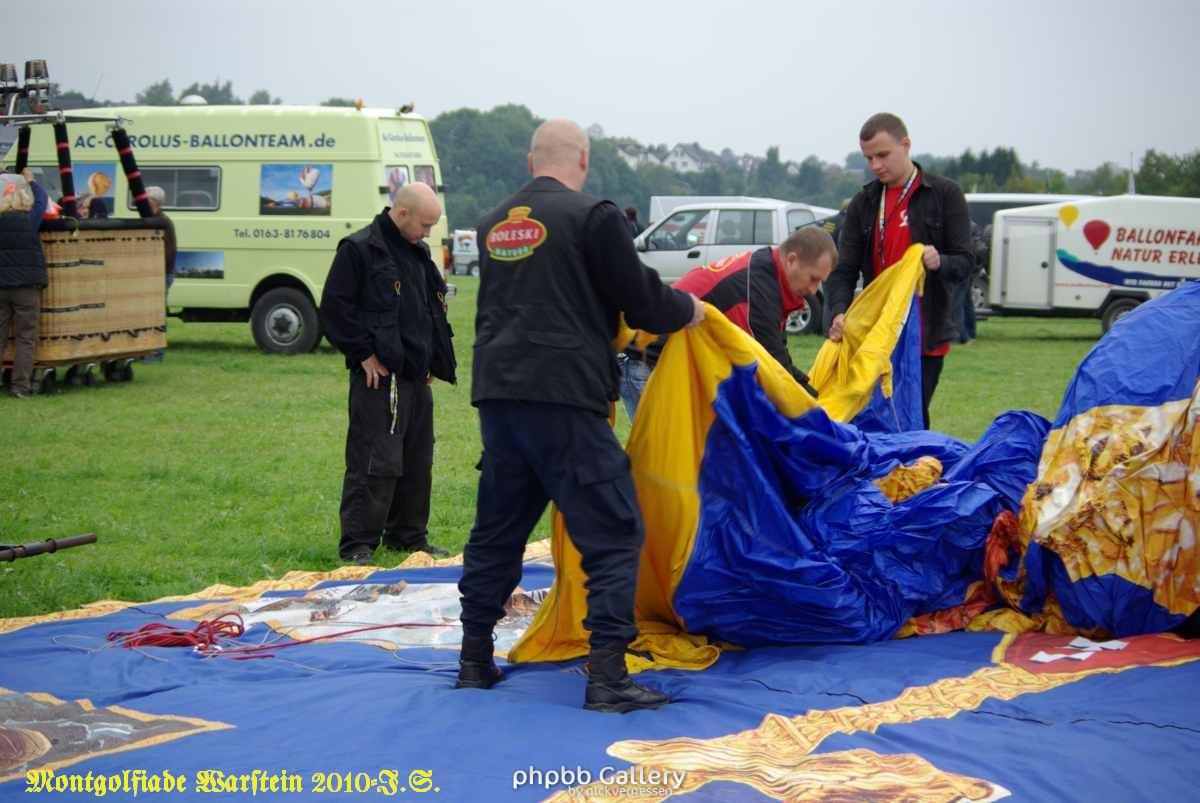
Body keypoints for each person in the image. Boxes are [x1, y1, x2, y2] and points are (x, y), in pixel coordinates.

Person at [456, 119, 705, 713]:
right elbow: (642, 301)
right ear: (584, 161)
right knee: (615, 532)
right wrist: (690, 310)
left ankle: (473, 660)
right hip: (565, 400)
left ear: (530, 161)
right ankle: (608, 677)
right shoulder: (595, 217)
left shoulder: (492, 223)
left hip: (499, 398)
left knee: (498, 531)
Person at [319, 182, 456, 565]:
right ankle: (358, 543)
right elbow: (334, 308)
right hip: (379, 377)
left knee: (417, 459)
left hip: (415, 375)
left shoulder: (418, 252)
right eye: (425, 224)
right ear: (402, 213)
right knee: (375, 459)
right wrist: (362, 353)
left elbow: (428, 308)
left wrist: (432, 358)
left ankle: (408, 536)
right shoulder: (360, 249)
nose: (428, 233)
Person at [824, 113, 972, 429]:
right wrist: (836, 312)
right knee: (868, 417)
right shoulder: (863, 202)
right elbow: (844, 268)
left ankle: (917, 460)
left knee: (911, 417)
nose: (875, 165)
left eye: (882, 155)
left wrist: (940, 262)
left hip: (924, 332)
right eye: (868, 158)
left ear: (905, 145)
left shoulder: (944, 194)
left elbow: (966, 261)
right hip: (876, 331)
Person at [618, 226, 836, 419]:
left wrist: (811, 394)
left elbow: (777, 354)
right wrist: (814, 409)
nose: (813, 290)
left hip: (673, 363)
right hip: (647, 361)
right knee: (668, 450)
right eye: (813, 279)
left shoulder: (769, 272)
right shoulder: (758, 289)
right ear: (791, 260)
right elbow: (770, 366)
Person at [0, 169, 48, 399]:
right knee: (25, 338)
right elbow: (42, 200)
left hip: (0, 287)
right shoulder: (30, 220)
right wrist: (32, 181)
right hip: (27, 287)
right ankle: (20, 387)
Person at [145, 186, 177, 292]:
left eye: (147, 199)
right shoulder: (152, 217)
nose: (143, 203)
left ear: (154, 201)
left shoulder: (162, 221)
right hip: (160, 272)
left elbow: (168, 253)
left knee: (157, 301)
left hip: (163, 274)